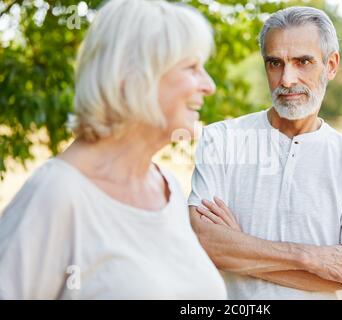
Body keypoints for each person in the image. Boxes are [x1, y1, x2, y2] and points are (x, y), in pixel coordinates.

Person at [0, 0, 226, 300]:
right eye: (191, 68)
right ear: (133, 77)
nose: (208, 85)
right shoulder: (57, 195)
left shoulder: (166, 186)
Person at [188, 6, 342, 300]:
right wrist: (311, 258)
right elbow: (202, 240)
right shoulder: (221, 139)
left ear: (331, 65)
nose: (287, 79)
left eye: (303, 61)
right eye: (275, 63)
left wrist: (237, 247)